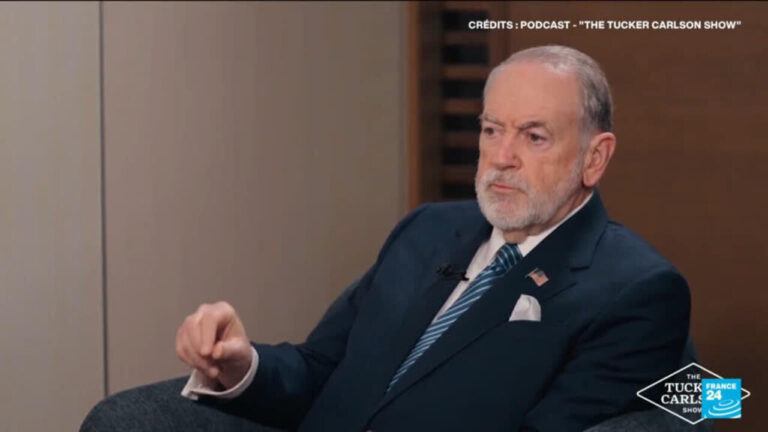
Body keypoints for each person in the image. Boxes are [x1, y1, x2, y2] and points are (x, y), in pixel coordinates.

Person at [134, 46, 695, 431]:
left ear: (595, 158)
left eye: (534, 137)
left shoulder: (637, 291)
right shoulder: (426, 230)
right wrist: (241, 365)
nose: (501, 157)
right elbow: (322, 368)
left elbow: (698, 404)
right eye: (491, 130)